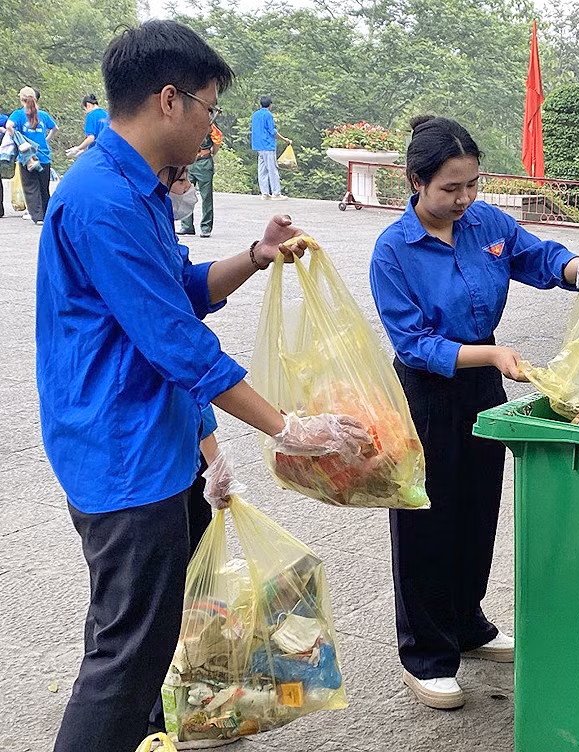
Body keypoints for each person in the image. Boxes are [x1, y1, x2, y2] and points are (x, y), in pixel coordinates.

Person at [37, 21, 368, 752]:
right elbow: (177, 344)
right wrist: (285, 426)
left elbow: (177, 292)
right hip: (123, 457)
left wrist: (255, 256)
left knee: (138, 635)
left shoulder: (135, 189)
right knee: (126, 660)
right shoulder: (105, 200)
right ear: (168, 101)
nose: (212, 128)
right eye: (210, 109)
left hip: (153, 439)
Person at [369, 115, 579, 711]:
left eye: (472, 186)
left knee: (478, 507)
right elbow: (414, 343)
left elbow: (537, 257)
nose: (464, 200)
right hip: (427, 391)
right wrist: (491, 353)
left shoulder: (485, 222)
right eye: (450, 189)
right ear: (415, 182)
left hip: (484, 382)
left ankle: (466, 623)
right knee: (425, 518)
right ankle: (427, 653)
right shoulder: (393, 251)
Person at [5, 86, 58, 223]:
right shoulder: (44, 115)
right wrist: (46, 139)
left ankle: (37, 216)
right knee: (43, 187)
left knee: (30, 186)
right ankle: (47, 214)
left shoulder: (18, 114)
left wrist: (16, 136)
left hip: (27, 157)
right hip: (43, 155)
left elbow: (8, 125)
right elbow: (55, 128)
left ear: (22, 99)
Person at [178, 122, 223, 237]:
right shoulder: (185, 122)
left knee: (206, 196)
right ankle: (187, 226)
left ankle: (206, 227)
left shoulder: (208, 123)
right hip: (189, 161)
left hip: (203, 162)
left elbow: (218, 138)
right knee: (184, 193)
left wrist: (212, 152)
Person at [251, 95, 292, 200]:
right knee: (272, 169)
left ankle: (264, 193)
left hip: (258, 146)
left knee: (262, 170)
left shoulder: (255, 115)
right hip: (268, 145)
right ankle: (276, 193)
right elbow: (272, 131)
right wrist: (285, 139)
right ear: (270, 105)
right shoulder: (268, 115)